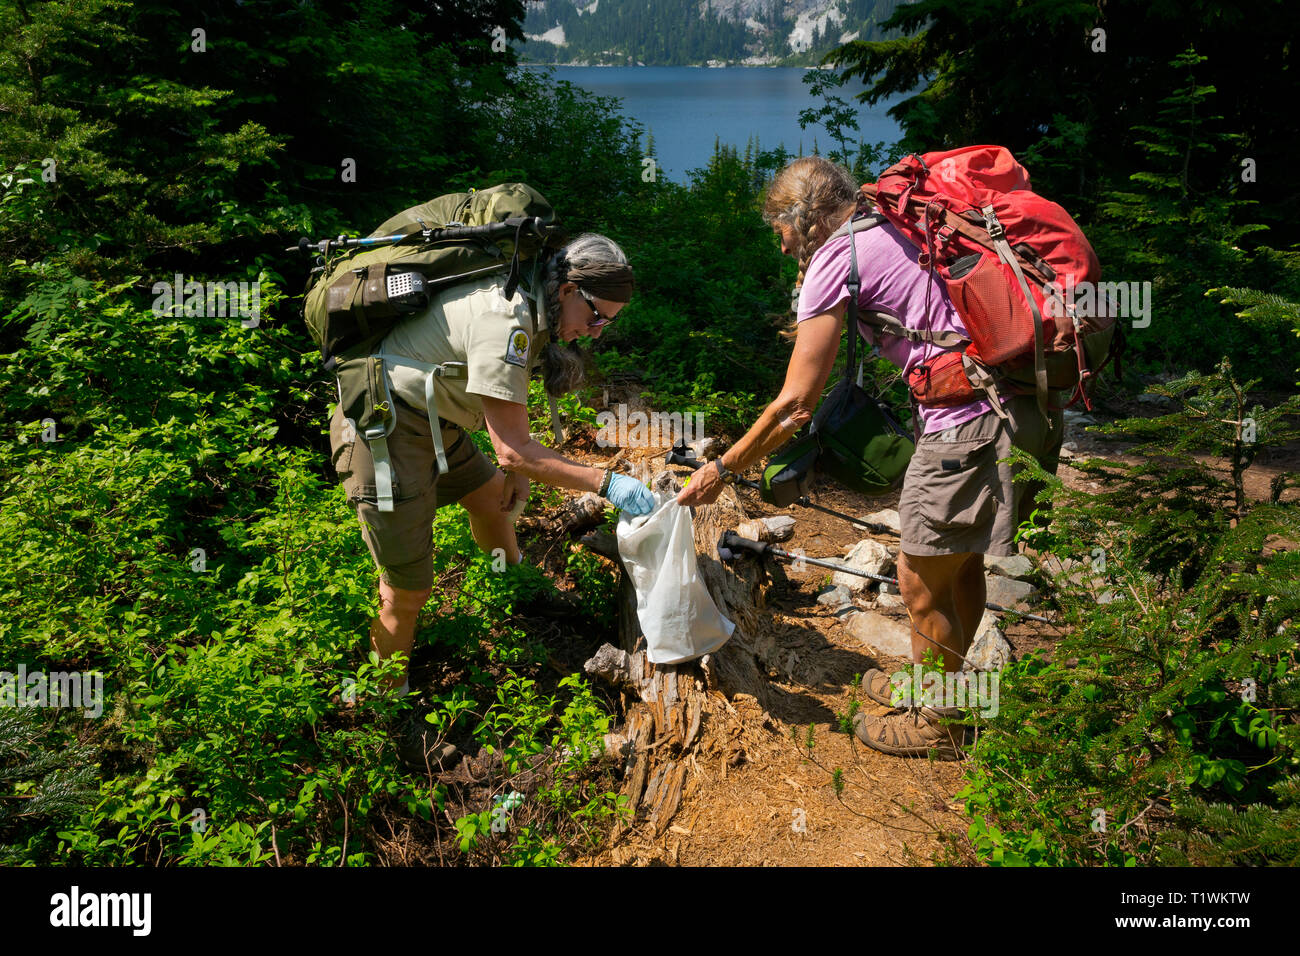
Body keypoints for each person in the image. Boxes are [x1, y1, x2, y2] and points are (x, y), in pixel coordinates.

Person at [675, 156, 1065, 759]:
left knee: (916, 578)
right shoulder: (897, 224)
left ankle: (941, 725)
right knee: (956, 566)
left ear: (804, 218)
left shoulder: (837, 258)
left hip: (969, 423)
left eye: (780, 230)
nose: (782, 248)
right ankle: (948, 689)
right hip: (1025, 406)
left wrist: (725, 466)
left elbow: (795, 404)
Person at [328, 232, 656, 770]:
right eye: (596, 316)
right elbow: (513, 450)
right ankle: (391, 713)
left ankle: (518, 590)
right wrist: (604, 483)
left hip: (433, 420)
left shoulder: (534, 303)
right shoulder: (509, 317)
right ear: (569, 287)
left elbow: (482, 400)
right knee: (406, 589)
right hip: (384, 430)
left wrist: (518, 462)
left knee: (489, 499)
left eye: (608, 325)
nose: (595, 333)